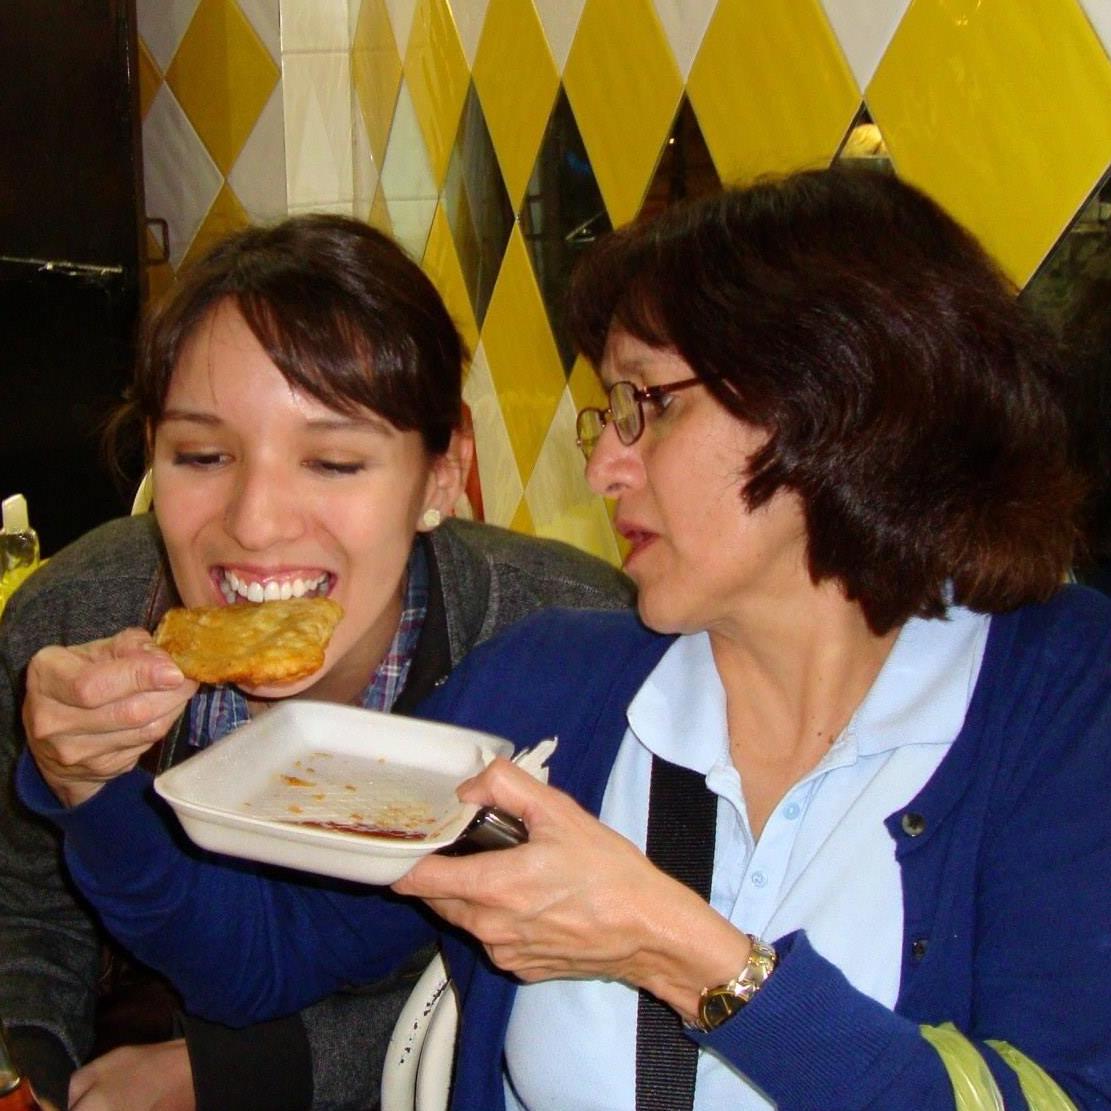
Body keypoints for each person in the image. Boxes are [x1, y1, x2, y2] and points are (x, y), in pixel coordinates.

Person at [15, 166, 1111, 1108]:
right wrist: (94, 782)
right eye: (608, 412)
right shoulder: (558, 684)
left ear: (841, 404)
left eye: (649, 405)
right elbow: (257, 960)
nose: (602, 468)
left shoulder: (1058, 692)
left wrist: (685, 957)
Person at [0, 213, 634, 1111]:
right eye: (203, 454)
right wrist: (37, 1073)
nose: (256, 520)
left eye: (334, 461)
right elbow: (28, 911)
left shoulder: (552, 644)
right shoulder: (71, 617)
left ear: (443, 474)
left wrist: (235, 1072)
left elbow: (515, 987)